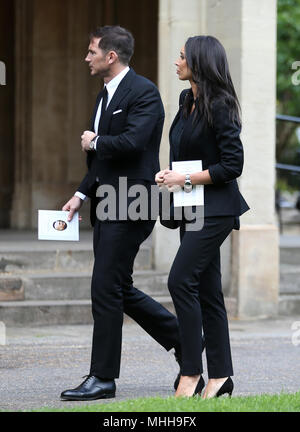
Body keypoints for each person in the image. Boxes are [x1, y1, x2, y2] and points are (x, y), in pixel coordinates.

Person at [60, 25, 181, 401]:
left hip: (135, 202)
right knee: (116, 287)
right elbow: (101, 163)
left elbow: (132, 144)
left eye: (91, 51)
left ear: (111, 56)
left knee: (105, 287)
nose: (87, 57)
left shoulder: (144, 92)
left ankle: (103, 378)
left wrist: (94, 140)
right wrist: (80, 194)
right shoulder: (103, 97)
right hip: (108, 202)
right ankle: (184, 337)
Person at [155, 35, 250, 398]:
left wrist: (187, 177)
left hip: (218, 209)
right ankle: (221, 377)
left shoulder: (221, 104)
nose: (176, 62)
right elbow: (185, 149)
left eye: (181, 56)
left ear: (198, 62)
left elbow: (232, 164)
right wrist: (171, 174)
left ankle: (191, 373)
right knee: (209, 293)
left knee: (180, 279)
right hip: (191, 207)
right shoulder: (186, 99)